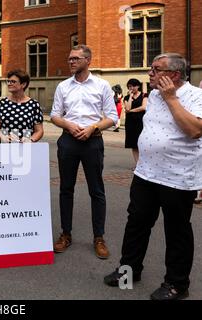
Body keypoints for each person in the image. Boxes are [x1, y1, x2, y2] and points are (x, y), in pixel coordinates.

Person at [104, 53, 202, 300]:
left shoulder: (196, 96)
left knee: (177, 231)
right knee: (136, 224)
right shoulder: (154, 95)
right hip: (146, 173)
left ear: (174, 75)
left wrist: (171, 99)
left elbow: (194, 131)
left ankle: (177, 285)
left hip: (177, 177)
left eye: (156, 69)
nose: (150, 73)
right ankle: (129, 271)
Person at [50, 44, 118, 259]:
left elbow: (112, 117)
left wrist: (93, 128)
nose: (71, 62)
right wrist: (69, 126)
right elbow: (55, 115)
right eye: (70, 58)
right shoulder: (63, 86)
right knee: (65, 189)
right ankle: (66, 234)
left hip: (92, 141)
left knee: (96, 190)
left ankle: (99, 237)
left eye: (75, 58)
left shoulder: (102, 85)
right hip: (68, 141)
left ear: (88, 60)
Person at [0, 69, 44, 143]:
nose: (9, 84)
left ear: (23, 84)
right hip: (5, 148)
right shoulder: (1, 103)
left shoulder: (34, 104)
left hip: (26, 148)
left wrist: (31, 139)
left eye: (13, 81)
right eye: (8, 81)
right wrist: (2, 136)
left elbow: (39, 131)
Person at [123, 78, 148, 166]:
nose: (131, 88)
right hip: (130, 123)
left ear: (138, 86)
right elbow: (127, 108)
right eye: (129, 86)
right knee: (134, 144)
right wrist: (130, 97)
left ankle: (144, 164)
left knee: (142, 143)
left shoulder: (144, 95)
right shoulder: (126, 97)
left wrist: (131, 111)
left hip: (141, 122)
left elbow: (144, 107)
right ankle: (138, 165)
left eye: (133, 86)